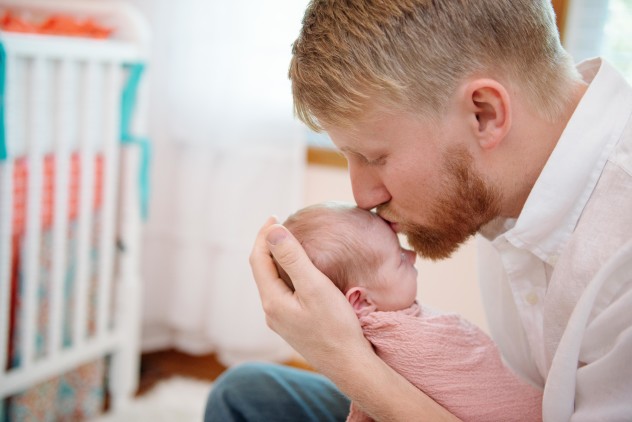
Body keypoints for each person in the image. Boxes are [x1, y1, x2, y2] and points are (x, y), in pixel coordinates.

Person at [205, 0, 632, 420]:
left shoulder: (621, 247)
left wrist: (346, 361)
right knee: (248, 394)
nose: (362, 196)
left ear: (484, 114)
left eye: (375, 157)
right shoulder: (513, 167)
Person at [278, 201, 543, 421]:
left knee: (249, 384)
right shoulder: (393, 345)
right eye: (399, 259)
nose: (412, 255)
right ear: (360, 301)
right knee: (249, 382)